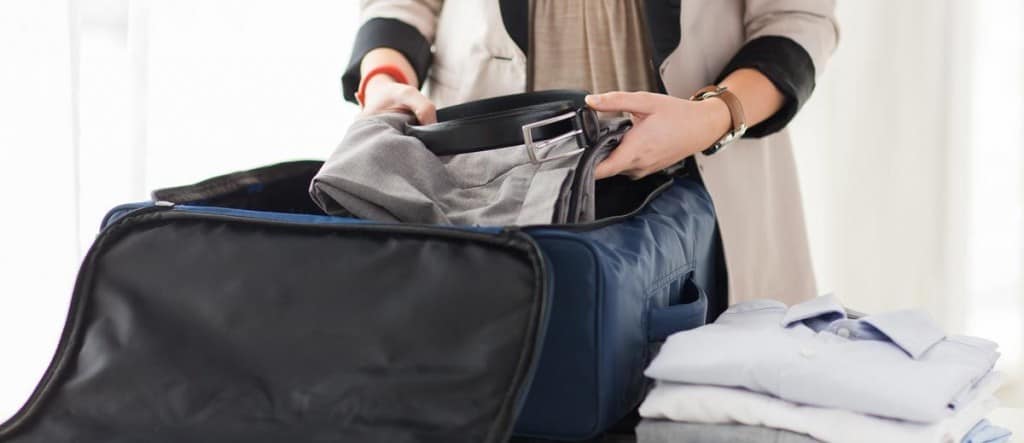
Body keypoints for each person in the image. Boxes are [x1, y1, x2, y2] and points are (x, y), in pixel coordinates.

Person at [341, 0, 839, 311]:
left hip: (699, 175)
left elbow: (797, 18)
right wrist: (386, 80)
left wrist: (710, 118)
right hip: (489, 187)